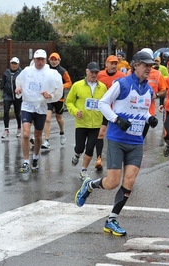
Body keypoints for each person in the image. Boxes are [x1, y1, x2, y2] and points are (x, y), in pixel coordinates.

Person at [74, 51, 158, 236]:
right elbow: (103, 103)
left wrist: (149, 118)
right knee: (112, 182)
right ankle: (89, 186)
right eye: (146, 65)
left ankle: (111, 220)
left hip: (136, 140)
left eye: (151, 66)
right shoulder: (122, 84)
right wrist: (116, 119)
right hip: (117, 139)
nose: (149, 69)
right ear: (135, 65)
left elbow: (142, 111)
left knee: (130, 180)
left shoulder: (149, 89)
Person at [15, 49, 63, 173]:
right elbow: (19, 82)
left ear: (45, 60)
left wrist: (50, 96)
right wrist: (18, 89)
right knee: (26, 134)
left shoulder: (51, 74)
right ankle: (26, 162)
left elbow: (58, 91)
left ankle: (35, 157)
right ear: (34, 60)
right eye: (38, 59)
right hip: (27, 105)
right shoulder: (27, 71)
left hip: (41, 108)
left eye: (42, 59)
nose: (40, 62)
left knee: (37, 136)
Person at [68, 62, 107, 178]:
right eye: (92, 72)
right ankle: (77, 154)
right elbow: (69, 102)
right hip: (81, 123)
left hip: (95, 124)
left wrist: (105, 121)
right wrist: (75, 111)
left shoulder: (103, 87)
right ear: (87, 71)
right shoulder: (77, 85)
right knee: (80, 147)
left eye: (96, 72)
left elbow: (106, 104)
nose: (94, 75)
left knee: (90, 148)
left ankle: (83, 170)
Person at [93, 55, 126, 171]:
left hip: (115, 110)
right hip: (102, 109)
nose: (113, 66)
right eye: (111, 63)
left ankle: (120, 159)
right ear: (106, 64)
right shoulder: (100, 75)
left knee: (117, 135)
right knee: (100, 133)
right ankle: (99, 159)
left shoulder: (122, 77)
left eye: (115, 63)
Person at [41, 52, 73, 149]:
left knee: (59, 119)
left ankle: (62, 132)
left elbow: (69, 83)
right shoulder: (46, 70)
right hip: (49, 98)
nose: (54, 62)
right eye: (52, 60)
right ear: (49, 60)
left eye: (56, 60)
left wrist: (60, 87)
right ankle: (46, 141)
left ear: (59, 60)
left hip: (59, 98)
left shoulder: (62, 71)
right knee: (47, 118)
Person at [140, 48, 168, 138]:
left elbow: (164, 90)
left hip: (148, 112)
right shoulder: (132, 72)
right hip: (133, 111)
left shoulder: (157, 74)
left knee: (140, 139)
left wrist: (156, 95)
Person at [0, 56, 22, 138]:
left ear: (18, 64)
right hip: (7, 95)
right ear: (10, 64)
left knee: (17, 112)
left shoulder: (21, 72)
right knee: (6, 112)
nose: (14, 65)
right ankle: (6, 130)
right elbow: (3, 82)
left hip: (17, 95)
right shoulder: (6, 72)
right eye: (12, 63)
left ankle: (19, 128)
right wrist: (2, 86)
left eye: (15, 64)